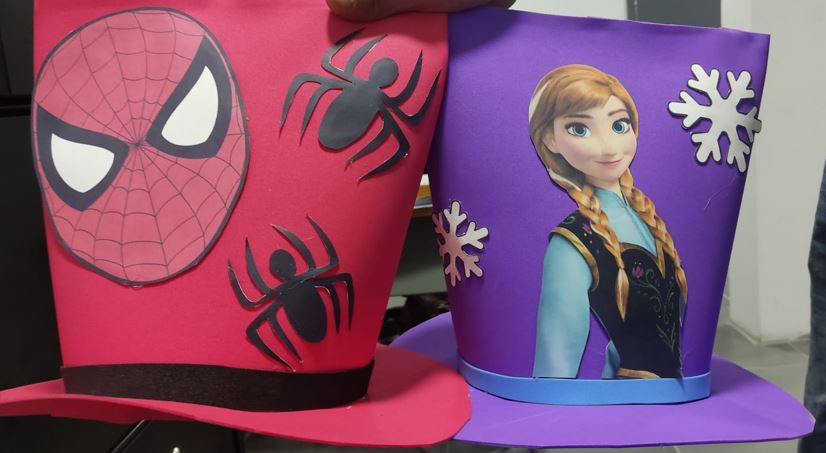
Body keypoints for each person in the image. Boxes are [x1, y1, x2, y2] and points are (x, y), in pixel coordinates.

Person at [529, 64, 688, 379]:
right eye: (579, 128)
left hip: (673, 397)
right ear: (549, 139)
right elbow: (554, 372)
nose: (608, 146)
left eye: (619, 125)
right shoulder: (572, 242)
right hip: (628, 404)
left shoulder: (647, 217)